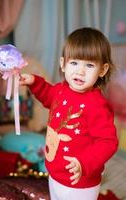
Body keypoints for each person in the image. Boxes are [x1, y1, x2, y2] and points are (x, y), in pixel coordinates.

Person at [20, 27, 118, 200]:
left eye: (89, 65)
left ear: (102, 70)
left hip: (80, 181)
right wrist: (34, 82)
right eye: (74, 63)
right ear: (63, 64)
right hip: (54, 172)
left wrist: (84, 163)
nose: (80, 71)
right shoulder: (61, 90)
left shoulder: (96, 105)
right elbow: (48, 95)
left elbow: (108, 142)